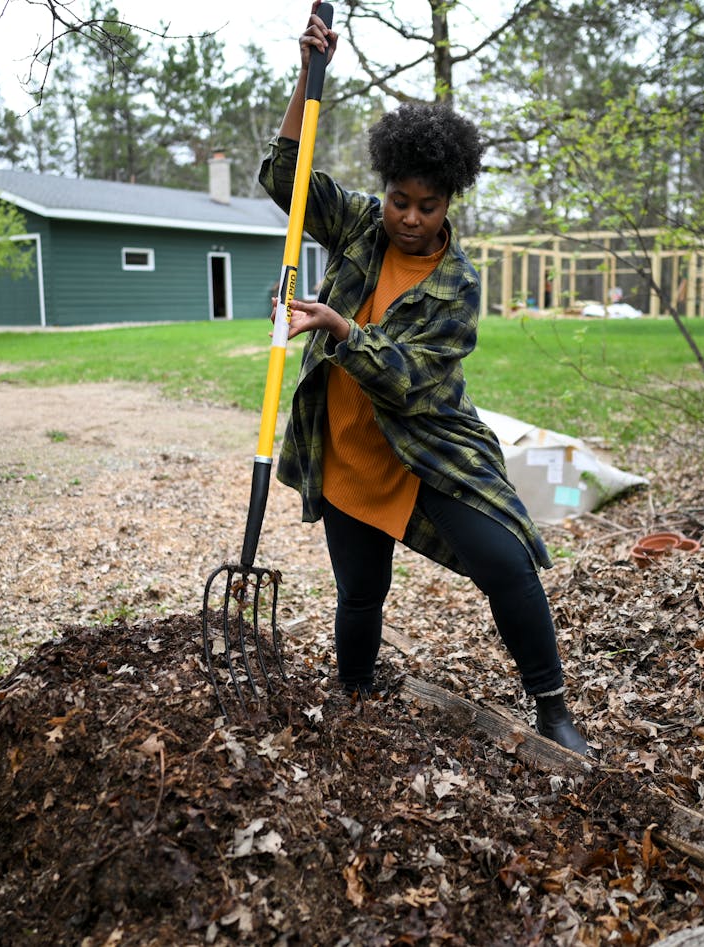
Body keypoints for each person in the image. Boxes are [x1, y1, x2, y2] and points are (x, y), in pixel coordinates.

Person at [258, 5, 588, 753]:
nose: (408, 218)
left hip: (431, 449)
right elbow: (286, 176)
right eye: (400, 200)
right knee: (361, 593)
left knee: (506, 560)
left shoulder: (459, 283)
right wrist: (310, 75)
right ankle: (354, 698)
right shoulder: (362, 226)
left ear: (451, 200)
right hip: (348, 448)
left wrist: (341, 329)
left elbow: (405, 378)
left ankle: (553, 708)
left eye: (426, 205)